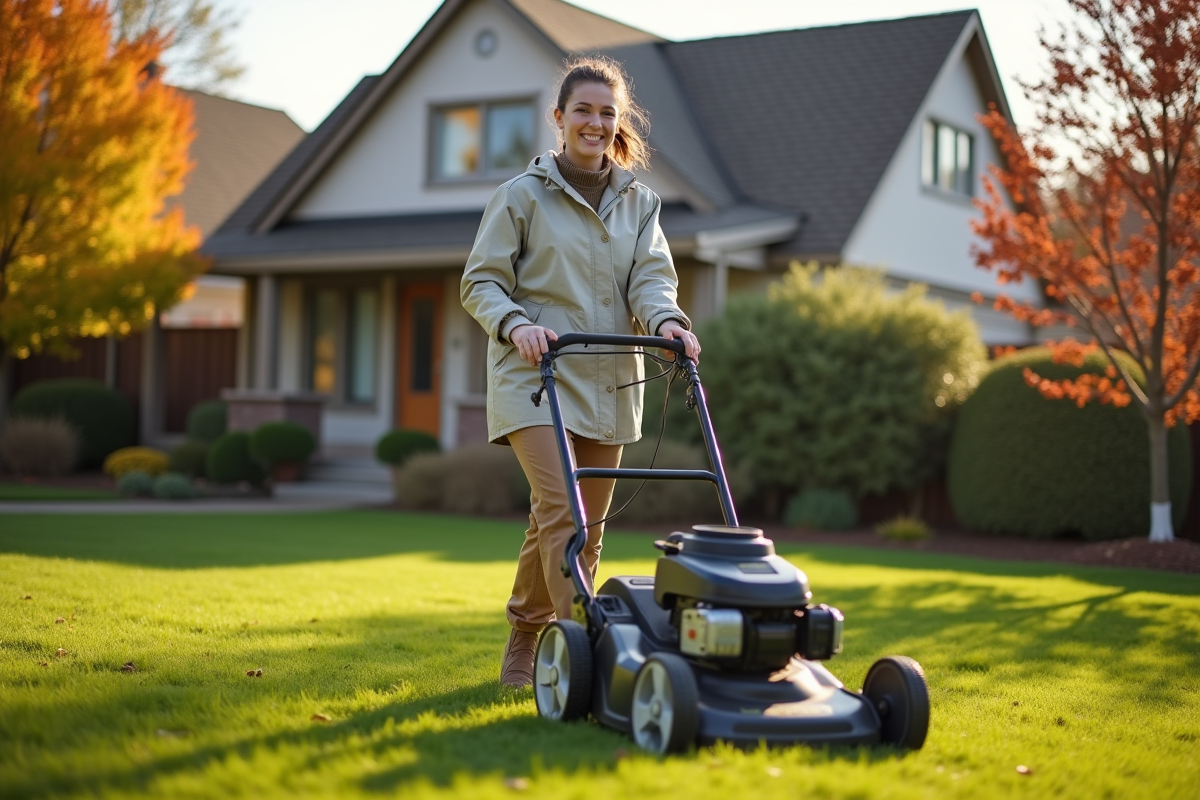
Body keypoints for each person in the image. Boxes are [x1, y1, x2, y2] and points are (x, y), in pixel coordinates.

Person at [460, 56, 701, 688]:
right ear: (559, 118)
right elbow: (481, 281)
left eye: (607, 113)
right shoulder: (519, 196)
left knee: (580, 531)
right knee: (561, 510)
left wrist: (668, 323)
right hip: (533, 369)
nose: (595, 123)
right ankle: (583, 659)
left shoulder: (641, 203)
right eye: (583, 111)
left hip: (608, 376)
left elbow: (651, 280)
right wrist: (516, 324)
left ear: (618, 123)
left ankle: (527, 639)